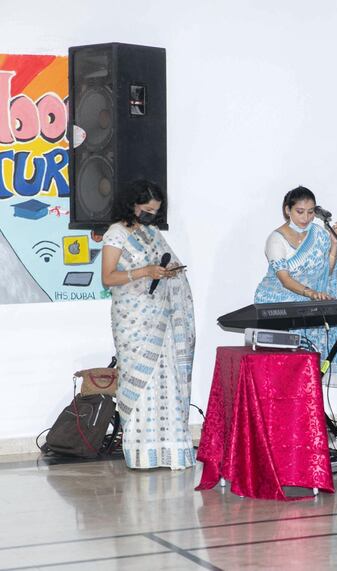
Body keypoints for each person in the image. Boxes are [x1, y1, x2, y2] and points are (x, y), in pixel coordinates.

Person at [100, 180, 195, 470]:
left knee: (166, 383)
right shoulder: (116, 233)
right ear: (132, 204)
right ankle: (143, 454)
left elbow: (162, 266)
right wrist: (144, 272)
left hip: (162, 317)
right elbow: (108, 277)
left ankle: (172, 451)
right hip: (135, 320)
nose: (151, 215)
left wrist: (167, 273)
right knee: (141, 384)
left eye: (155, 210)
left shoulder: (151, 233)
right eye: (146, 209)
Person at [254, 185, 337, 386]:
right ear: (287, 210)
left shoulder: (319, 234)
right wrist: (310, 293)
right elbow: (284, 279)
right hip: (278, 303)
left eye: (311, 212)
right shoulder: (276, 239)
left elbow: (326, 273)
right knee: (287, 368)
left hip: (310, 302)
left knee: (310, 364)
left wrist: (334, 244)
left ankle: (309, 408)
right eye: (300, 212)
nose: (306, 218)